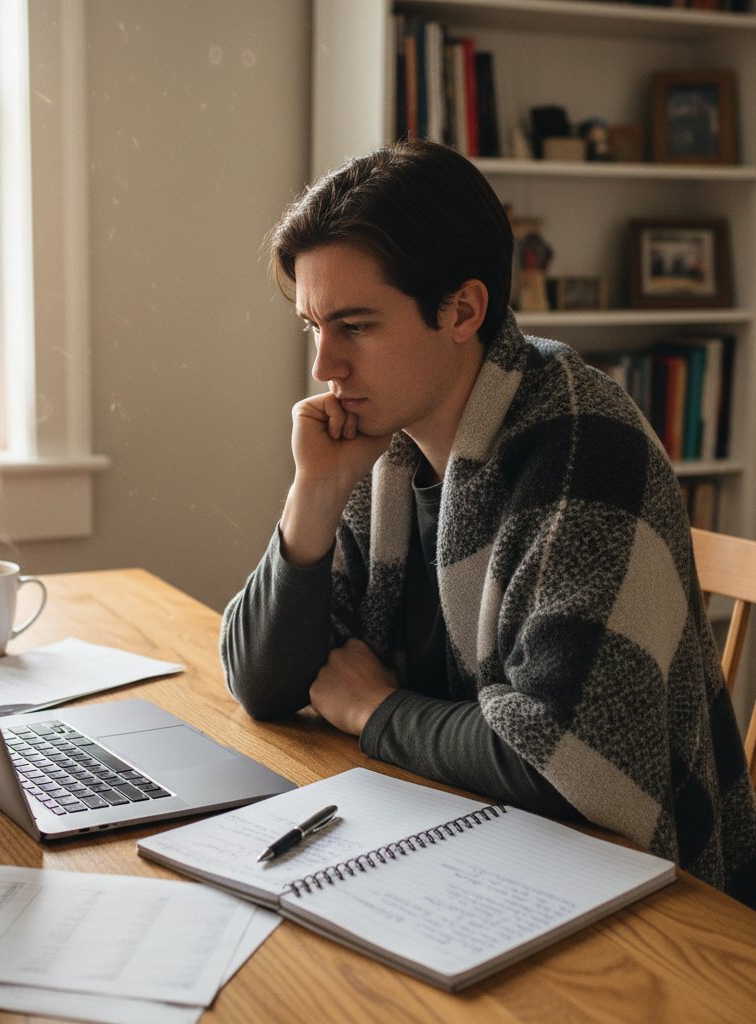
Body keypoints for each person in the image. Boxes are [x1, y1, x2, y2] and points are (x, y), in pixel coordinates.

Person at [220, 140, 756, 907]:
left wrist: (377, 710)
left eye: (356, 326)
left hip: (653, 908)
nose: (324, 367)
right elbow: (264, 683)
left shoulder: (582, 444)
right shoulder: (385, 452)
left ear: (464, 310)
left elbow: (569, 764)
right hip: (467, 851)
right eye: (313, 326)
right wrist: (317, 491)